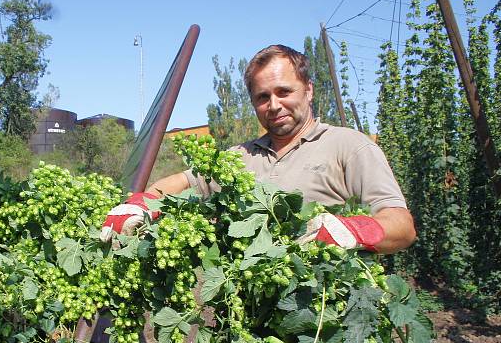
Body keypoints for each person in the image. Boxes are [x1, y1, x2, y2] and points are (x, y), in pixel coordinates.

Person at [101, 44, 416, 254]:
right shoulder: (239, 157)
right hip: (247, 330)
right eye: (262, 97)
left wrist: (349, 230)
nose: (274, 105)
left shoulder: (349, 146)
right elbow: (182, 182)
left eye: (284, 92)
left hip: (323, 323)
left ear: (308, 91)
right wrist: (141, 204)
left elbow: (402, 227)